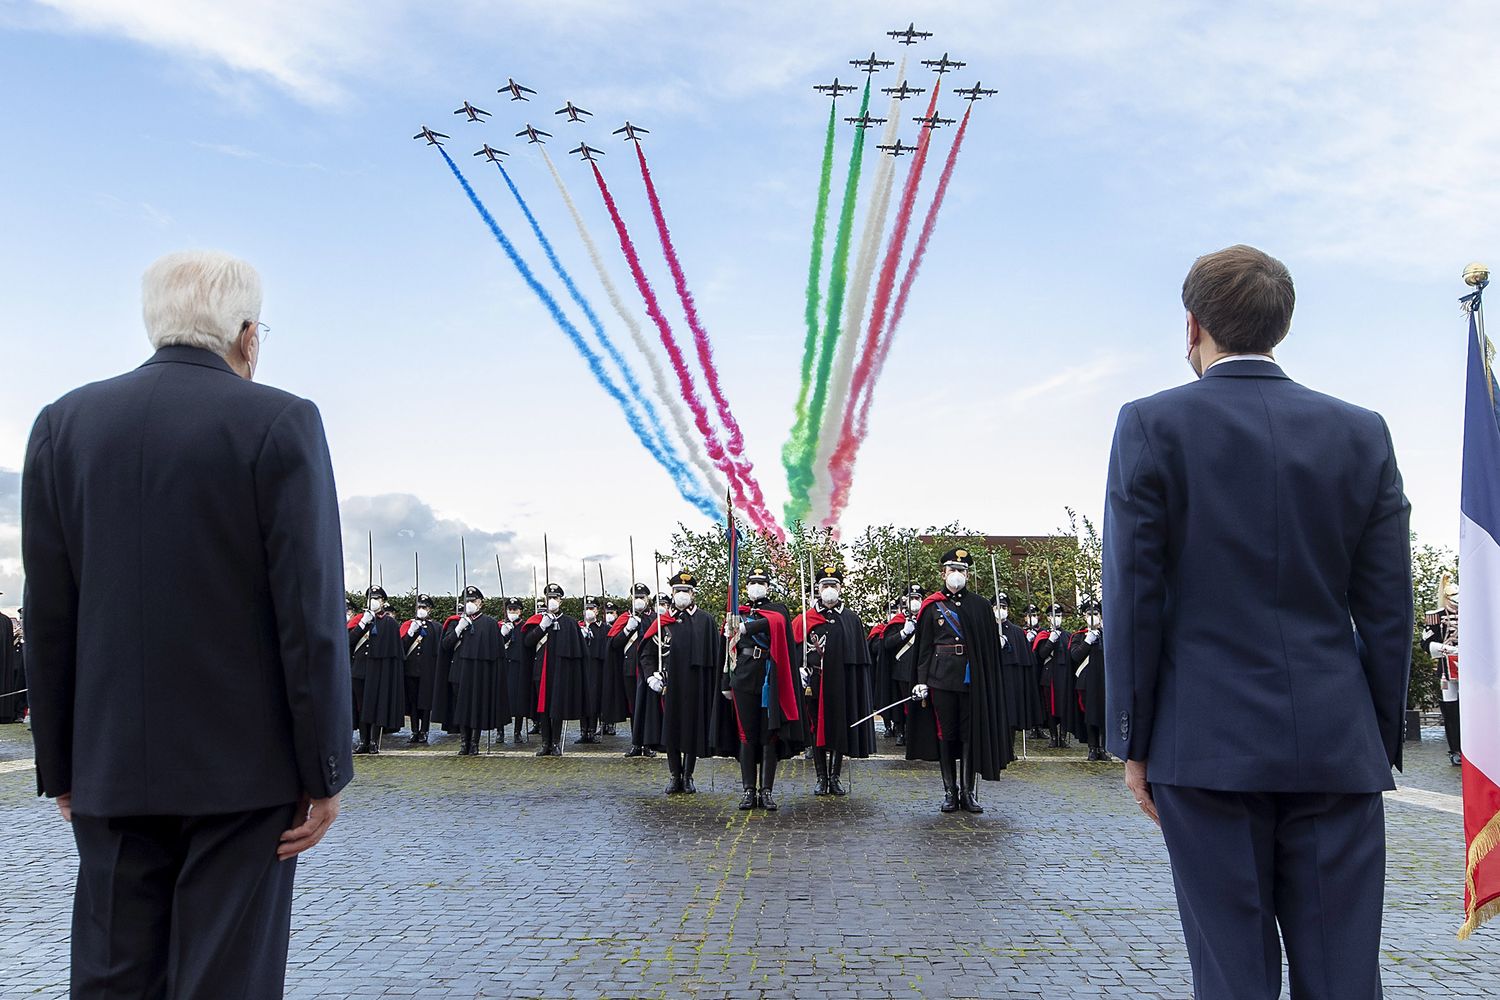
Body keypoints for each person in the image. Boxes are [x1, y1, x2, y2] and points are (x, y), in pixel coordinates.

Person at [21, 250, 351, 998]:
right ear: (247, 334)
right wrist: (325, 769)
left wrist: (61, 764)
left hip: (109, 765)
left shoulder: (62, 425)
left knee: (111, 980)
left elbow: (50, 615)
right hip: (244, 776)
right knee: (225, 982)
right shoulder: (281, 421)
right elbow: (309, 616)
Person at [1104, 244, 1411, 1000]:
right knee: (1344, 979)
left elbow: (1133, 599)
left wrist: (1132, 740)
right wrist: (1374, 734)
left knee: (1233, 978)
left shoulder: (1151, 424)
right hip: (1336, 744)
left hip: (1205, 746)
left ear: (1192, 325)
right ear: (1282, 326)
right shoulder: (1361, 431)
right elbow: (1387, 608)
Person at [906, 549, 1011, 813]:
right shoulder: (932, 606)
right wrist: (921, 680)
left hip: (971, 680)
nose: (957, 574)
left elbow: (987, 648)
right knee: (946, 735)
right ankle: (950, 792)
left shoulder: (980, 606)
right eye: (952, 570)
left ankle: (967, 792)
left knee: (968, 735)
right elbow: (924, 649)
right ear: (943, 574)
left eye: (961, 570)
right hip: (940, 678)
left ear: (968, 575)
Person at [719, 568, 804, 810]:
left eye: (761, 582)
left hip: (770, 676)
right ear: (745, 587)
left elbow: (776, 623)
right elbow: (727, 651)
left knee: (769, 735)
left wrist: (748, 628)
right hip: (743, 675)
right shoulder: (737, 612)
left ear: (768, 587)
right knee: (746, 734)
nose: (756, 586)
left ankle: (766, 791)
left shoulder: (777, 610)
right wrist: (725, 681)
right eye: (752, 583)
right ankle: (748, 790)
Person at [793, 566, 875, 796]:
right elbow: (794, 648)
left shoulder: (850, 619)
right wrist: (799, 668)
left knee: (840, 726)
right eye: (825, 585)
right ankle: (821, 777)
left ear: (840, 588)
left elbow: (858, 655)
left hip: (841, 682)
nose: (829, 589)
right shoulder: (805, 619)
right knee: (815, 727)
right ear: (818, 589)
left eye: (833, 585)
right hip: (814, 681)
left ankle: (835, 776)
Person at [645, 572, 720, 793]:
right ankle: (674, 775)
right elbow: (647, 653)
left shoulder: (705, 620)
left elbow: (715, 656)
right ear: (672, 593)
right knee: (671, 730)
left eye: (686, 591)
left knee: (691, 729)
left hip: (695, 684)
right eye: (678, 591)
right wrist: (651, 676)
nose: (682, 594)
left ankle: (688, 775)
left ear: (693, 594)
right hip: (669, 684)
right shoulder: (662, 622)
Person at [524, 583, 586, 756]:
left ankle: (556, 742)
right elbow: (528, 642)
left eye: (555, 598)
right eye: (549, 597)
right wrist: (542, 627)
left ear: (561, 600)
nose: (552, 600)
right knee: (543, 708)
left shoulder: (569, 623)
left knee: (557, 707)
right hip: (541, 670)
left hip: (560, 670)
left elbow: (577, 652)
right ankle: (545, 743)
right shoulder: (537, 620)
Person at [444, 586, 506, 756]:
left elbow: (497, 651)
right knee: (462, 707)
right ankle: (464, 742)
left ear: (480, 602)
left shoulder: (489, 623)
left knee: (477, 707)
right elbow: (446, 645)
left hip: (479, 673)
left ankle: (474, 743)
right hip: (459, 671)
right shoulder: (456, 622)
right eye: (467, 601)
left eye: (473, 600)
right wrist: (458, 629)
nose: (470, 603)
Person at [348, 585, 405, 754]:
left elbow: (393, 650)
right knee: (361, 706)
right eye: (371, 598)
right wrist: (362, 624)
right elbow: (348, 641)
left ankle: (373, 741)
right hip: (359, 670)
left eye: (377, 598)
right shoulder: (360, 620)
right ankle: (363, 741)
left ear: (383, 601)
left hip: (378, 670)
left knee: (374, 705)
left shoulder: (389, 623)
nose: (373, 601)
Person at [616, 585, 662, 758]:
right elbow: (614, 644)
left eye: (642, 597)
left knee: (648, 707)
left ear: (648, 599)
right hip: (630, 668)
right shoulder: (625, 618)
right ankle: (636, 743)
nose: (639, 600)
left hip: (648, 670)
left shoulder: (655, 618)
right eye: (636, 597)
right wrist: (627, 629)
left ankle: (649, 743)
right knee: (634, 707)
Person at [1423, 573, 1460, 766]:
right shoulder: (1435, 616)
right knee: (1451, 710)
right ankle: (1455, 749)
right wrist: (1448, 649)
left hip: (1470, 670)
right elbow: (1426, 643)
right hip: (1447, 669)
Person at [1067, 599, 1108, 761]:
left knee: (1104, 714)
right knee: (1090, 715)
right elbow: (1075, 656)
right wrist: (1087, 641)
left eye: (1096, 614)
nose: (1093, 617)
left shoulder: (1107, 635)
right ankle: (1092, 747)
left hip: (1104, 681)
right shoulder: (1079, 636)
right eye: (1089, 614)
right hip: (1086, 682)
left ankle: (1103, 748)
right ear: (1084, 616)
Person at [401, 595, 441, 744]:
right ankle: (414, 730)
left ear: (429, 609)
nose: (421, 610)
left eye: (424, 607)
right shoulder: (409, 625)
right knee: (413, 702)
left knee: (425, 702)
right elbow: (401, 647)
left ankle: (424, 730)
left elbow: (438, 651)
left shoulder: (435, 627)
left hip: (427, 670)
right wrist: (410, 633)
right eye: (419, 607)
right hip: (411, 670)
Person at [1034, 604, 1074, 748]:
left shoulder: (1067, 635)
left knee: (1064, 706)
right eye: (1053, 616)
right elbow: (1042, 654)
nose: (1056, 618)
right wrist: (1051, 641)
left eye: (1058, 616)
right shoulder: (1044, 635)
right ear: (1048, 618)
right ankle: (1053, 736)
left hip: (1064, 675)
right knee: (1049, 707)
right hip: (1049, 676)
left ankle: (1062, 737)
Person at [500, 597, 531, 745]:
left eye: (515, 609)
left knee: (519, 701)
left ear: (520, 611)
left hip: (519, 666)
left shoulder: (525, 627)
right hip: (504, 666)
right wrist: (502, 635)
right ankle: (500, 731)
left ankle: (517, 732)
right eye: (510, 609)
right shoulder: (501, 626)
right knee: (501, 699)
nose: (512, 612)